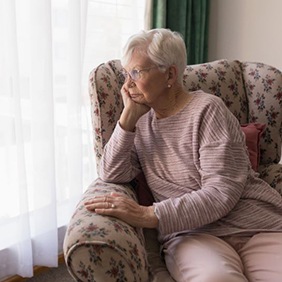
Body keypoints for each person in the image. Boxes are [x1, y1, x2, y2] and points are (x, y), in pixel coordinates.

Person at [84, 28, 282, 282]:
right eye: (126, 73)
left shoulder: (207, 110)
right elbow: (111, 172)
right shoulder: (140, 123)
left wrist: (147, 214)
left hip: (256, 225)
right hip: (193, 234)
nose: (127, 84)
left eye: (136, 72)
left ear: (170, 74)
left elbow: (221, 193)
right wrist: (128, 118)